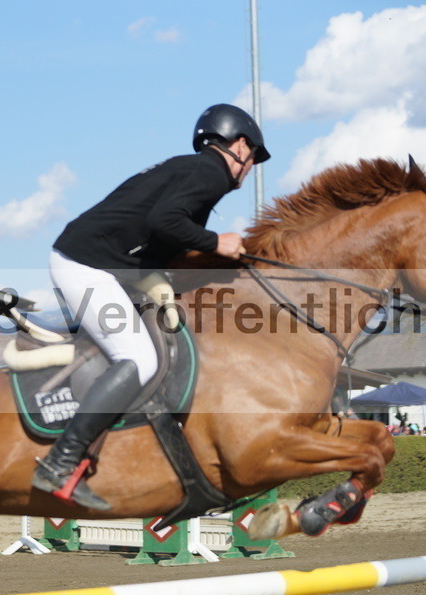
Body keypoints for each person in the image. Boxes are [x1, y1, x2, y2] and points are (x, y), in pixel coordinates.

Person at [32, 103, 270, 510]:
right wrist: (217, 242)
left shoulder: (191, 170)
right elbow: (165, 221)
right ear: (240, 145)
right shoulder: (210, 172)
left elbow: (164, 238)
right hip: (85, 266)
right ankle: (60, 461)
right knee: (138, 357)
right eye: (253, 159)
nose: (250, 170)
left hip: (101, 265)